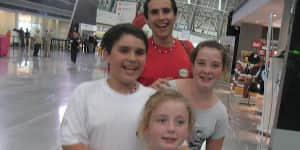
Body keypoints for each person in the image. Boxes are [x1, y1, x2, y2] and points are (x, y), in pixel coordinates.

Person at [61, 23, 156, 150]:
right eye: (124, 50)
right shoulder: (85, 94)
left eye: (139, 52)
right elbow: (71, 142)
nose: (132, 58)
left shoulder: (154, 99)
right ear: (107, 55)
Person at [168, 40, 229, 150]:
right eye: (201, 63)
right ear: (192, 65)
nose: (207, 70)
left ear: (223, 70)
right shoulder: (169, 90)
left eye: (215, 65)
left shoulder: (220, 114)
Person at [138, 0, 194, 88]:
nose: (161, 17)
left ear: (175, 16)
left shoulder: (188, 49)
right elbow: (124, 93)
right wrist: (148, 92)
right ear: (146, 20)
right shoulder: (137, 51)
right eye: (154, 12)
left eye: (166, 11)